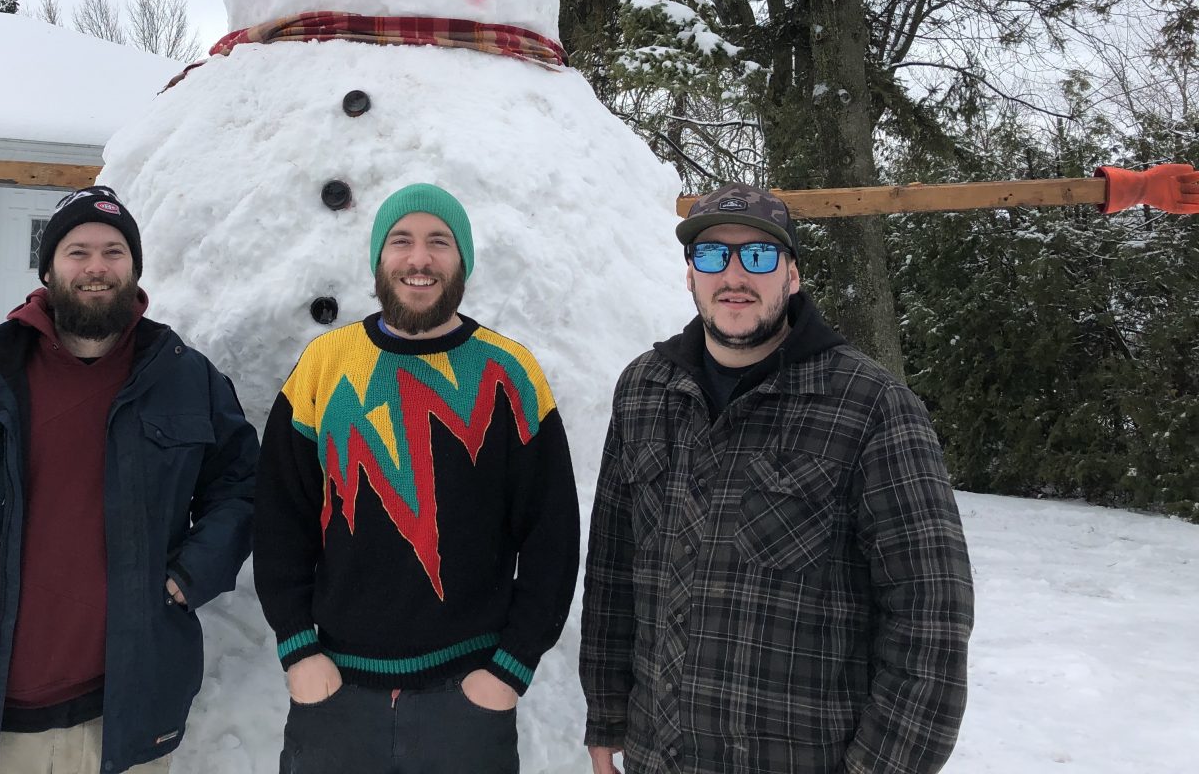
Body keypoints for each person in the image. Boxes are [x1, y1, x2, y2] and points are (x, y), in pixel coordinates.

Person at [581, 184, 974, 774]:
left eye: (759, 257)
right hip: (657, 756)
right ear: (690, 274)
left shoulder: (869, 406)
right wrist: (607, 714)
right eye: (712, 255)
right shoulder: (644, 389)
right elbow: (614, 568)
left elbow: (931, 615)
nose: (734, 275)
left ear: (791, 276)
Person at [0, 185, 258, 774]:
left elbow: (243, 486)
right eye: (78, 251)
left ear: (134, 268)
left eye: (113, 252)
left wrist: (190, 575)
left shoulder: (183, 376)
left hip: (128, 722)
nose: (96, 268)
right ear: (49, 266)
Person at [253, 183, 580, 774]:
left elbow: (551, 536)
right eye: (400, 241)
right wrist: (297, 647)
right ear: (379, 258)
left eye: (439, 242)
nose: (419, 259)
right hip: (335, 696)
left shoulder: (511, 372)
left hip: (467, 704)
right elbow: (280, 517)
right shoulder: (324, 366)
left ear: (464, 261)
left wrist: (510, 670)